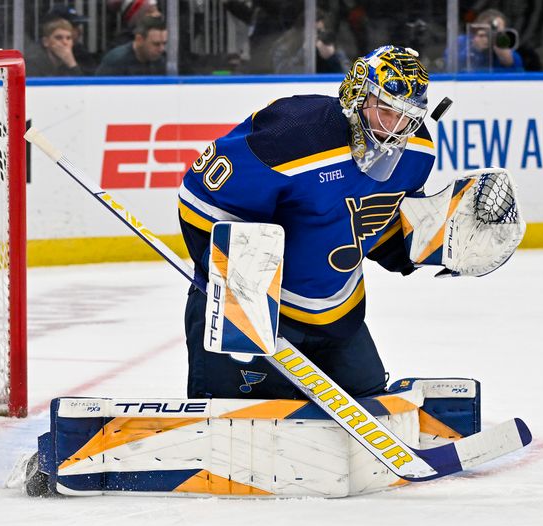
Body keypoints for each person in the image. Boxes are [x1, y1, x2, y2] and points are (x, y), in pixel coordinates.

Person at [178, 46, 433, 399]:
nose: (394, 128)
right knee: (239, 421)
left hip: (338, 313)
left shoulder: (417, 152)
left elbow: (378, 226)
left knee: (369, 399)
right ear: (358, 93)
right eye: (386, 110)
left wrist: (426, 247)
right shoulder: (294, 133)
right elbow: (200, 198)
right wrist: (233, 282)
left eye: (406, 116)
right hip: (251, 313)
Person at [446, 8, 524, 73]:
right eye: (488, 31)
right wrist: (473, 49)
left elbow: (517, 69)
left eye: (498, 32)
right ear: (477, 28)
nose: (492, 35)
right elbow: (449, 61)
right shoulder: (463, 42)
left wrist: (504, 55)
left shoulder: (508, 49)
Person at [96, 16, 167, 76]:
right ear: (139, 40)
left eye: (164, 43)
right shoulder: (116, 62)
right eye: (156, 44)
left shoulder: (159, 61)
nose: (162, 49)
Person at [46, 4, 99, 75]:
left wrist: (71, 63)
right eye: (73, 26)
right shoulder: (37, 55)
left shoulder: (79, 51)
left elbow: (88, 83)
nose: (79, 31)